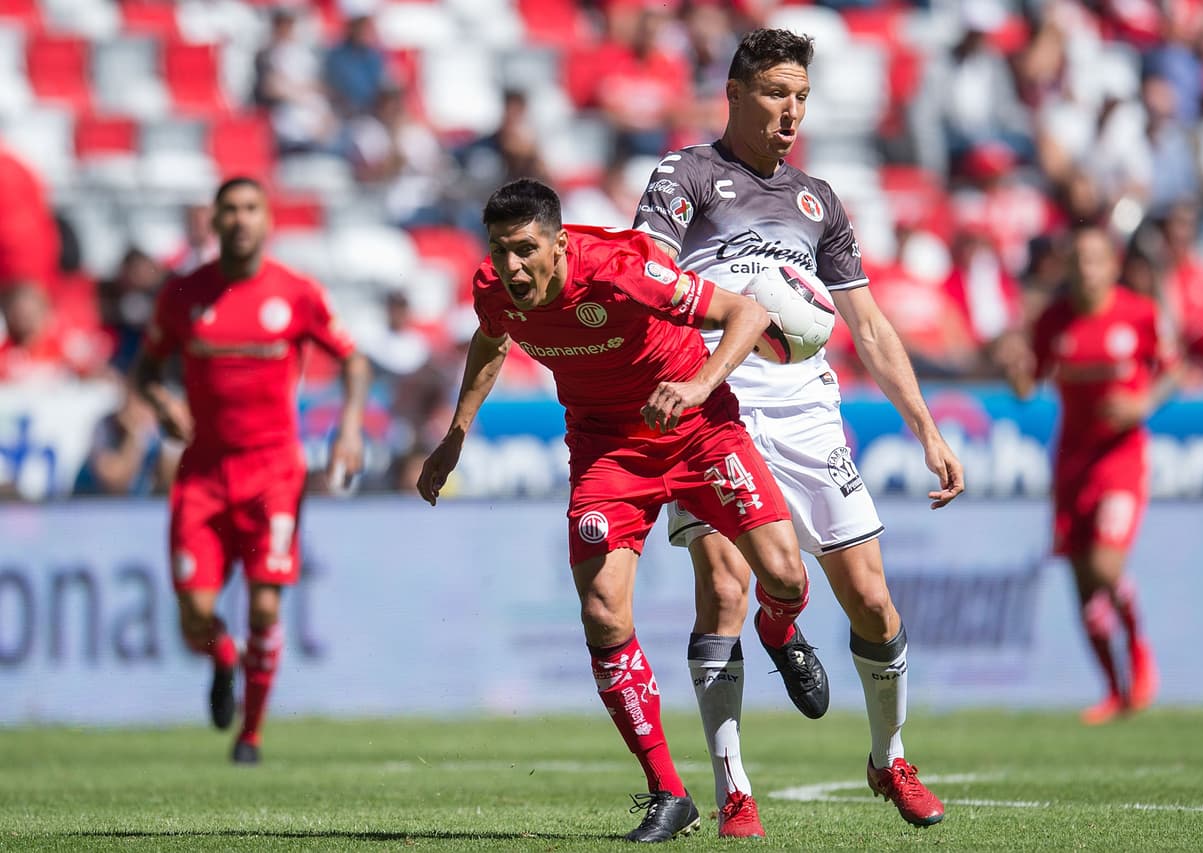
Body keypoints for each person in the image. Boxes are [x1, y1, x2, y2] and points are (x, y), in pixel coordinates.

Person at [417, 177, 827, 843]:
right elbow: (491, 340)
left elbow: (747, 314)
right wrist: (457, 433)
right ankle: (668, 790)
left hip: (700, 431)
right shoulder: (493, 286)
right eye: (499, 249)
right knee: (602, 609)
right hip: (608, 449)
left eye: (525, 249)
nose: (511, 266)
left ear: (559, 241)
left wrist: (696, 387)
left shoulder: (623, 274)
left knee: (784, 576)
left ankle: (779, 629)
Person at [632, 28, 964, 835]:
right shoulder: (688, 177)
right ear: (737, 93)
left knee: (874, 603)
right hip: (712, 407)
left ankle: (889, 756)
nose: (792, 111)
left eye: (803, 97)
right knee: (724, 589)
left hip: (807, 407)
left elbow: (872, 326)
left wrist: (926, 427)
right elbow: (645, 273)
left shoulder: (819, 201)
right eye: (778, 93)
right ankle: (734, 789)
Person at [131, 177, 370, 763]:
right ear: (213, 221)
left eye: (250, 209)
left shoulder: (295, 294)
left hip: (272, 474)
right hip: (203, 474)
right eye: (229, 210)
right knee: (194, 613)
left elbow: (353, 359)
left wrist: (350, 426)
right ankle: (222, 658)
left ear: (267, 221)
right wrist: (162, 403)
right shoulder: (184, 294)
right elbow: (145, 370)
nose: (239, 219)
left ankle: (252, 734)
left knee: (266, 605)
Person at [1004, 226, 1176, 725]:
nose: (1087, 270)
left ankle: (1140, 654)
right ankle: (1114, 689)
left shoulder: (1139, 314)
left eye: (1096, 260)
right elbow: (1027, 385)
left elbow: (1176, 368)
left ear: (1112, 265)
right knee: (1082, 584)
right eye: (1078, 261)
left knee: (1105, 567)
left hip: (1121, 457)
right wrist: (1015, 370)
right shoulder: (1054, 320)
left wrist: (1144, 401)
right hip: (1072, 460)